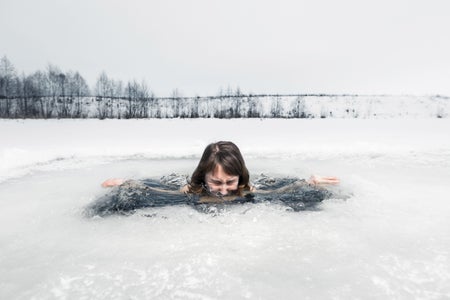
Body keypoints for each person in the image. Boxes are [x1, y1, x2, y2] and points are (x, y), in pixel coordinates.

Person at [101, 141, 339, 199]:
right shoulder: (192, 189)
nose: (224, 191)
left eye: (229, 182)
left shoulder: (246, 189)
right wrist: (127, 183)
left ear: (240, 177)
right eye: (216, 182)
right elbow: (159, 192)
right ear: (203, 176)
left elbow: (278, 193)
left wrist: (308, 182)